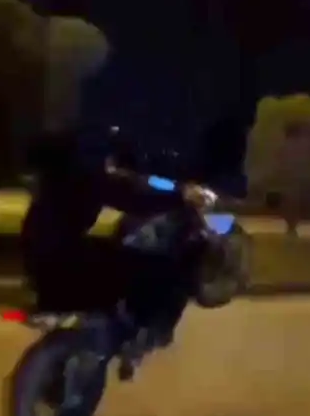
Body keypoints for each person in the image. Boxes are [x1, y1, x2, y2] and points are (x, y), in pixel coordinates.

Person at [20, 129, 194, 372]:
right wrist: (182, 198)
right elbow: (134, 200)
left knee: (115, 256)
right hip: (64, 261)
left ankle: (107, 326)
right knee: (162, 270)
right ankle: (138, 338)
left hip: (36, 261)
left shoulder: (54, 179)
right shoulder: (87, 176)